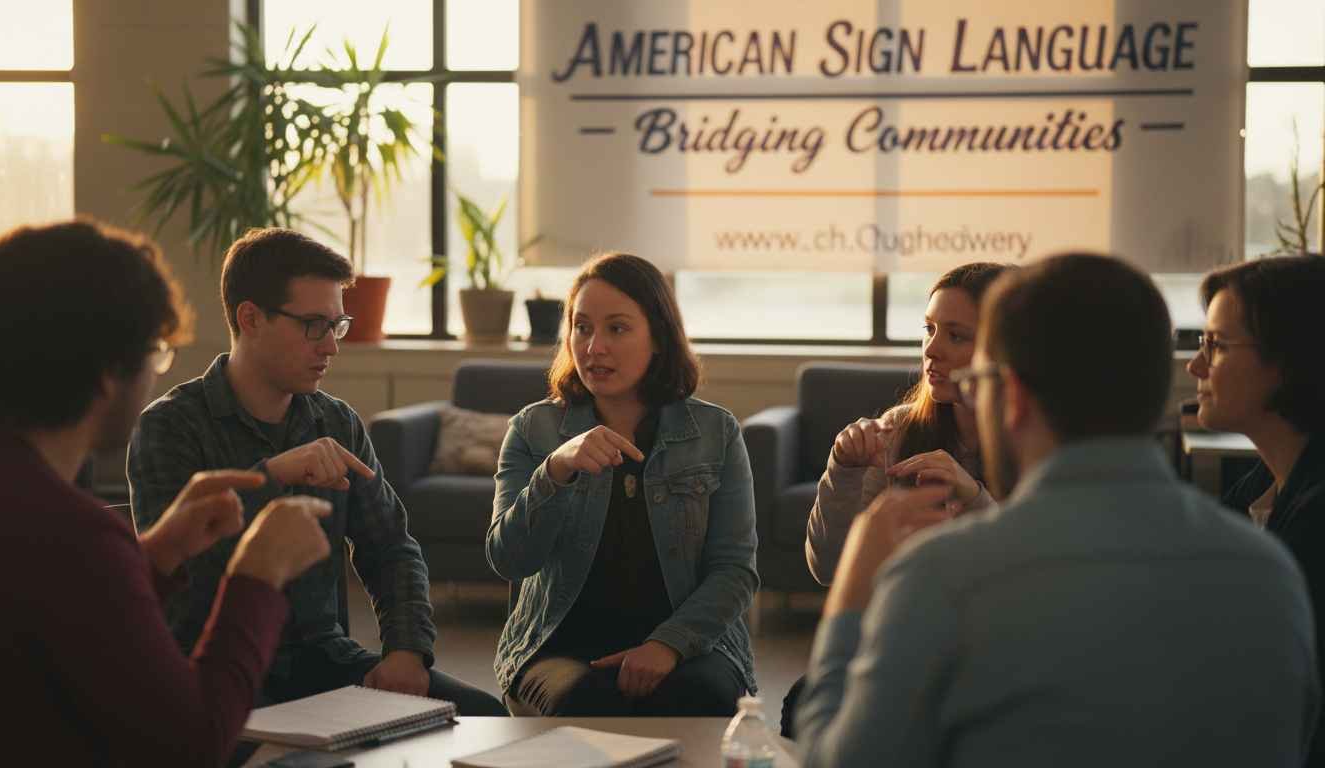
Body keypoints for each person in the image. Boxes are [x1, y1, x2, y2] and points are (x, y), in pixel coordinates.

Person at [797, 253, 1319, 767]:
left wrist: (849, 602)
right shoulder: (1271, 572)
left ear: (1013, 397)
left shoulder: (942, 576)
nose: (936, 351)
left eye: (979, 382)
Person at [0, 220, 334, 766]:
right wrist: (258, 575)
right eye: (156, 350)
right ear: (107, 373)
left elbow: (61, 618)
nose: (156, 371)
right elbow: (192, 743)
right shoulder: (77, 536)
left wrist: (156, 555)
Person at [127, 227, 504, 714]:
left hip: (323, 661)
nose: (330, 347)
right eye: (313, 326)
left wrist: (406, 651)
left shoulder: (337, 422)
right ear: (250, 318)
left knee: (486, 716)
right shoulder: (170, 426)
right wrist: (272, 476)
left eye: (336, 325)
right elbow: (176, 577)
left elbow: (390, 547)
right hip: (212, 667)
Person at [488, 252, 757, 716]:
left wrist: (668, 645)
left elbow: (735, 571)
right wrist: (555, 471)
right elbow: (509, 559)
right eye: (582, 327)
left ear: (659, 338)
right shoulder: (533, 430)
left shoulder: (716, 432)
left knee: (699, 697)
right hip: (560, 646)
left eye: (617, 328)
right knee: (588, 701)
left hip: (691, 644)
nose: (594, 348)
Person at [781, 262, 1011, 736]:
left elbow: (1032, 580)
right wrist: (842, 472)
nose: (932, 349)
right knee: (803, 701)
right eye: (929, 329)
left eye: (956, 335)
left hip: (996, 654)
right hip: (900, 644)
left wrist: (973, 496)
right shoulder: (901, 429)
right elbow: (828, 569)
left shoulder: (1030, 441)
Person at [1187, 253, 1325, 765]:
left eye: (1216, 345)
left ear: (1290, 359)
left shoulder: (1317, 523)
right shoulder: (1261, 485)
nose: (1195, 366)